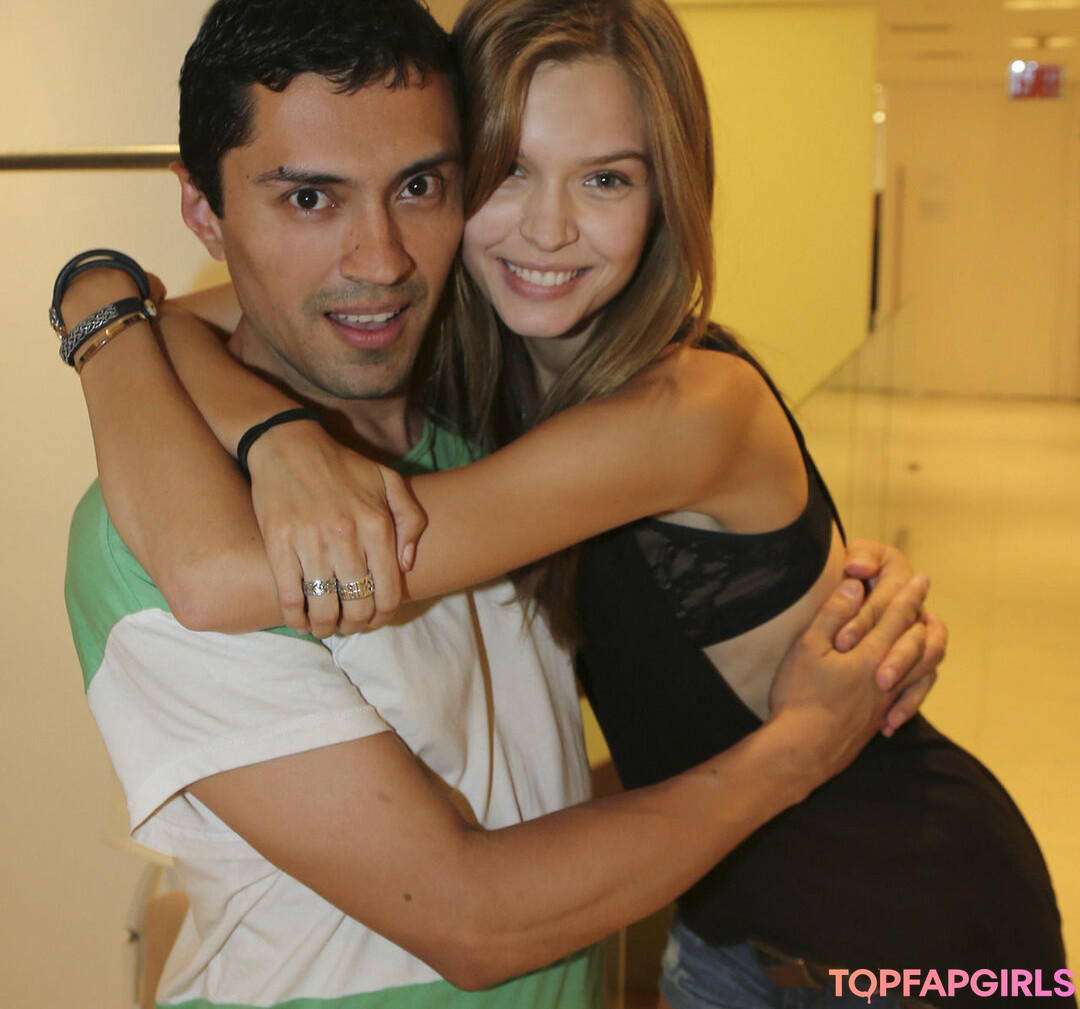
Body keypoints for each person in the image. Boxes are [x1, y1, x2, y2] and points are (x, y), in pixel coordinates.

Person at [57, 2, 945, 1008]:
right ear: (204, 211)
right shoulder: (155, 532)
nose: (380, 258)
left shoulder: (563, 411)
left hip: (901, 924)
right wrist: (158, 347)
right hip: (734, 935)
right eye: (308, 198)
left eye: (420, 186)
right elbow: (471, 918)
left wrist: (132, 331)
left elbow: (206, 521)